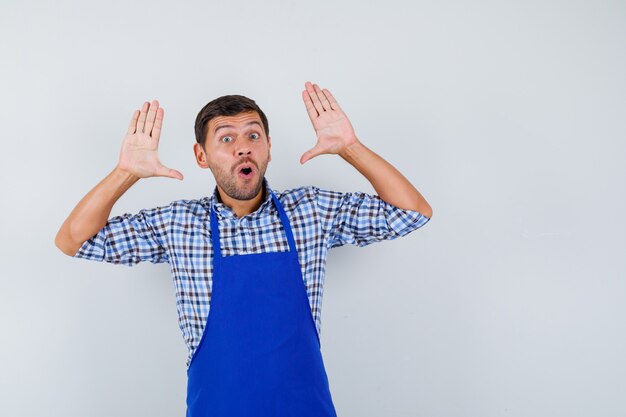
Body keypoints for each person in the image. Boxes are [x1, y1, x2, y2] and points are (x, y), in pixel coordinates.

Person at [55, 81, 433, 417]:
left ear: (268, 148)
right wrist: (126, 173)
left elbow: (412, 212)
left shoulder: (313, 211)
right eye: (225, 138)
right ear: (201, 156)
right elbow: (73, 240)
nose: (242, 149)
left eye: (254, 136)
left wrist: (350, 148)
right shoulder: (178, 224)